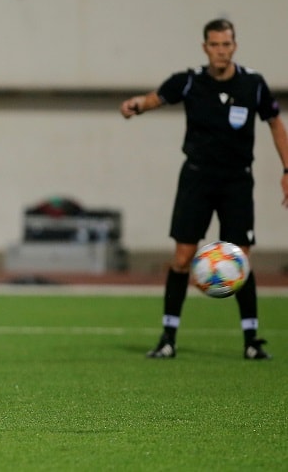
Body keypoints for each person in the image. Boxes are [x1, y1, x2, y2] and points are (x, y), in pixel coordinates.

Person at [120, 18, 288, 360]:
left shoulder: (252, 84)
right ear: (205, 47)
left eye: (227, 44)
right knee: (182, 258)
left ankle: (252, 340)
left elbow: (275, 123)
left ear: (235, 46)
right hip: (197, 178)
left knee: (240, 257)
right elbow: (156, 97)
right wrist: (136, 105)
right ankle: (167, 338)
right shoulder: (190, 81)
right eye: (215, 45)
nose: (221, 51)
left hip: (237, 180)